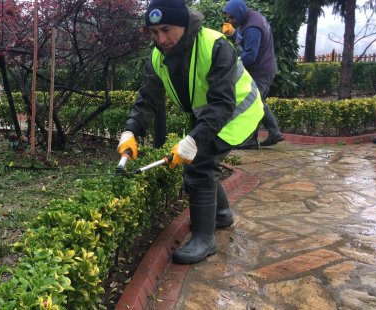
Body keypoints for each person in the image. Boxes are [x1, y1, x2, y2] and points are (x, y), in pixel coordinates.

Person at [116, 0, 264, 265]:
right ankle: (222, 214)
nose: (160, 39)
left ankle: (204, 240)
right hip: (212, 113)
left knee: (198, 165)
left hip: (237, 112)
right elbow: (147, 98)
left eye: (166, 29)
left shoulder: (216, 45)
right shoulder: (158, 57)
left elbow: (222, 103)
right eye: (153, 32)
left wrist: (194, 140)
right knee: (199, 159)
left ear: (183, 24)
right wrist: (130, 131)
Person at [223, 0, 284, 148]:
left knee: (252, 103)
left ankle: (250, 140)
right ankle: (275, 132)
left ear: (239, 13)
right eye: (228, 18)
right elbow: (243, 38)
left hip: (261, 70)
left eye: (232, 18)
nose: (230, 21)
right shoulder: (250, 17)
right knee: (258, 100)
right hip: (263, 67)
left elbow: (250, 55)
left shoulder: (252, 27)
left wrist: (234, 67)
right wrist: (233, 33)